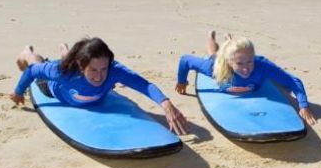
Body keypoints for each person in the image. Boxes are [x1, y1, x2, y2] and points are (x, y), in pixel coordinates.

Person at [10, 37, 188, 135]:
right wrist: (18, 92)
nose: (100, 76)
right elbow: (32, 71)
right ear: (82, 66)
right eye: (93, 70)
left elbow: (144, 85)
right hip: (52, 89)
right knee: (38, 63)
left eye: (104, 69)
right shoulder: (64, 73)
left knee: (69, 60)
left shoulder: (115, 71)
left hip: (76, 71)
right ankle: (29, 52)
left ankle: (65, 50)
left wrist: (165, 103)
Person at [175, 31, 316, 125]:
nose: (246, 68)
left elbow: (293, 81)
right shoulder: (215, 68)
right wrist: (182, 81)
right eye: (239, 63)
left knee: (238, 53)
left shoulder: (262, 65)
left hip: (234, 58)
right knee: (214, 53)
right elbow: (185, 60)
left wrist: (303, 105)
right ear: (229, 63)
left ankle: (230, 41)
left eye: (250, 61)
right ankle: (211, 36)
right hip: (219, 58)